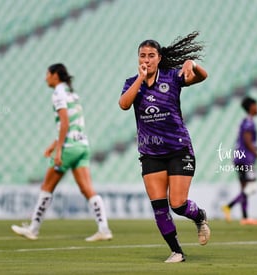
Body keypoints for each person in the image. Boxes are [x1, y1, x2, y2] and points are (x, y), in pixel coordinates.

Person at [119, 31, 210, 263]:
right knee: (159, 207)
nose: (146, 60)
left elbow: (202, 77)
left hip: (179, 150)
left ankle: (199, 217)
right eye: (142, 56)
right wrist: (141, 79)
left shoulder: (171, 77)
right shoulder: (132, 83)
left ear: (159, 58)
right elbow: (123, 104)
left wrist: (193, 64)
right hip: (150, 153)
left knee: (177, 204)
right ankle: (177, 251)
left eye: (150, 55)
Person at [12, 63, 112, 241]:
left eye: (47, 74)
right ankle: (104, 229)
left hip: (68, 148)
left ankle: (33, 229)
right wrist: (53, 144)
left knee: (47, 187)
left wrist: (58, 151)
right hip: (82, 145)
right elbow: (72, 124)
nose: (45, 78)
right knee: (87, 189)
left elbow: (65, 123)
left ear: (55, 76)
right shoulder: (72, 94)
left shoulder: (58, 93)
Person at [221, 97, 257, 225]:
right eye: (256, 105)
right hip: (246, 159)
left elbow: (246, 141)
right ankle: (229, 207)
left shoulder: (244, 121)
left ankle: (245, 217)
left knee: (245, 188)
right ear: (251, 107)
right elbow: (247, 141)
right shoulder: (249, 122)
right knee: (251, 187)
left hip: (239, 157)